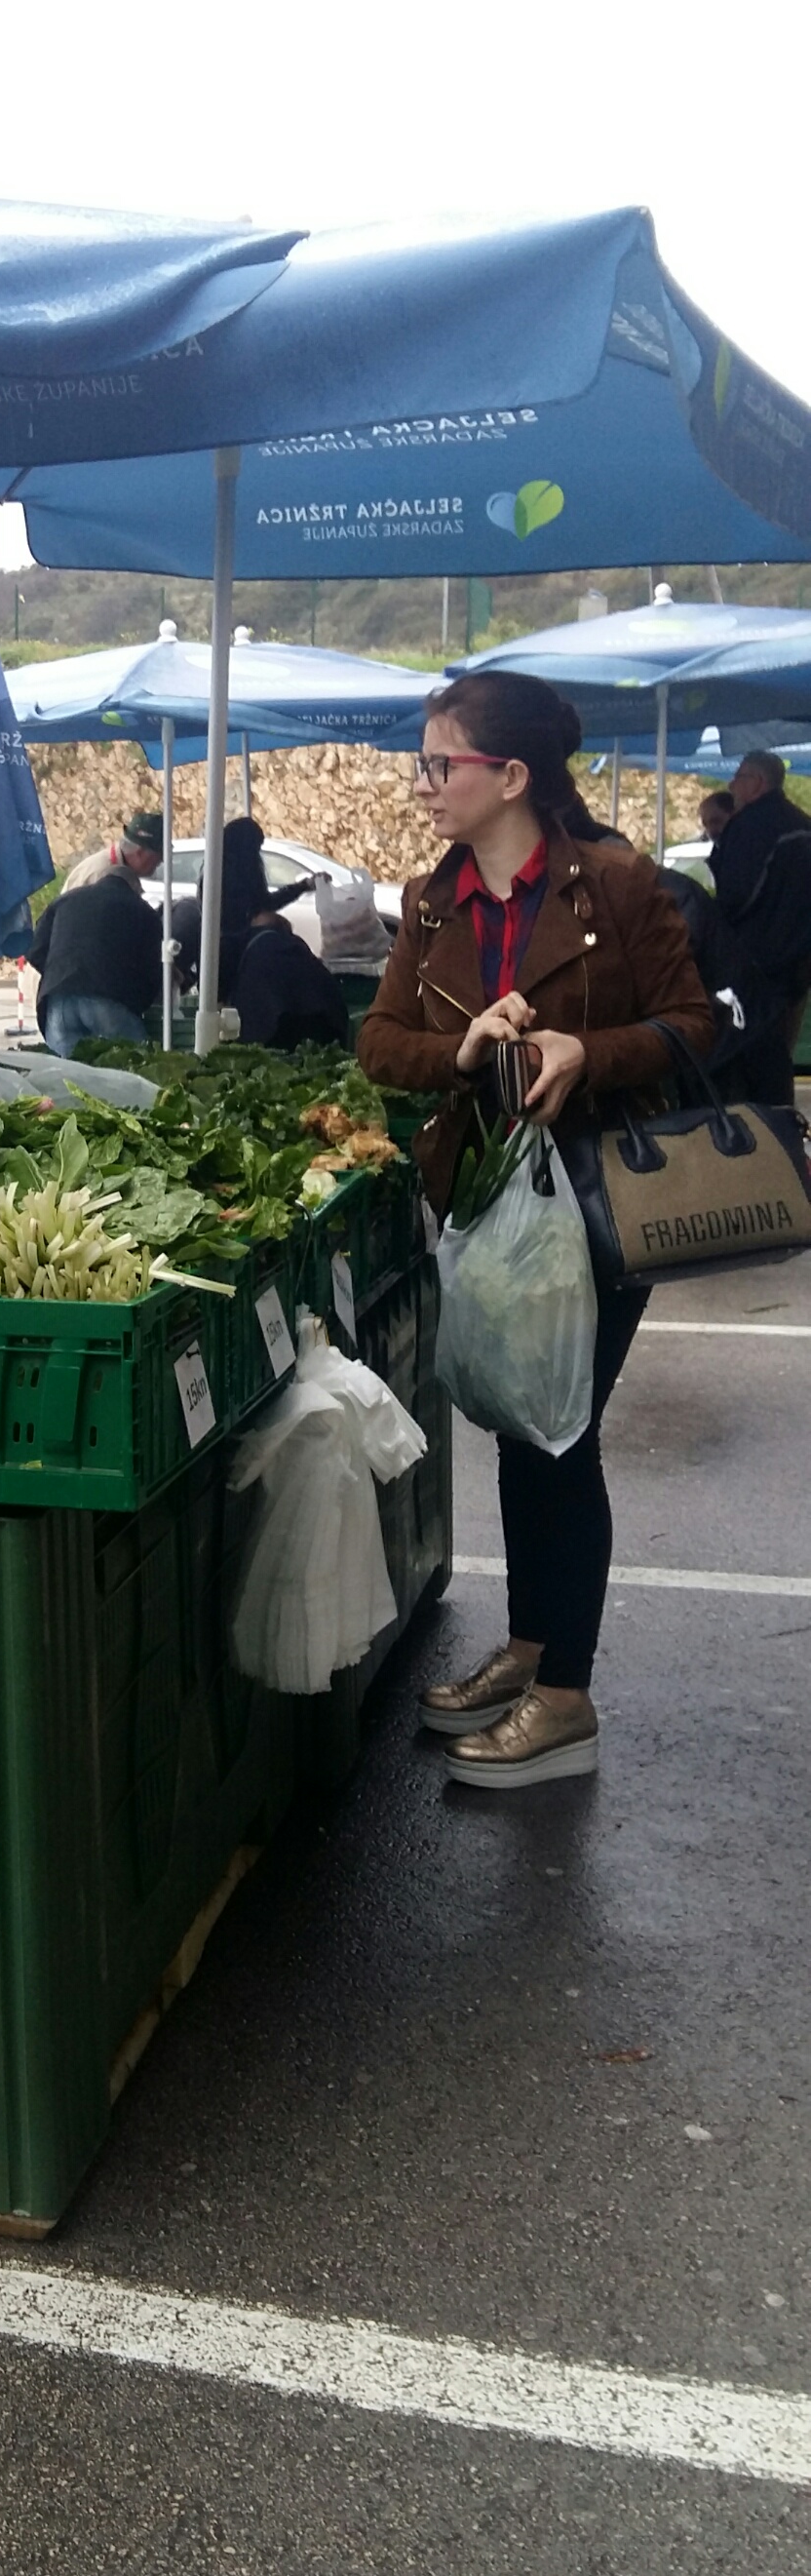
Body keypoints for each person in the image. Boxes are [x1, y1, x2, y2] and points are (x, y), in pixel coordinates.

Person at [358, 670, 712, 1792]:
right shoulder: (429, 900)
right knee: (519, 1424)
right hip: (485, 1202)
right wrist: (460, 1054)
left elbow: (696, 1023)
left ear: (507, 776)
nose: (423, 785)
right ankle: (528, 1642)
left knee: (562, 1431)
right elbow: (377, 1044)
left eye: (438, 764)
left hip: (598, 1202)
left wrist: (580, 1050)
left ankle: (564, 1696)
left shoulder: (612, 882)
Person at [705, 752, 811, 1106]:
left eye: (740, 777)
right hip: (797, 964)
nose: (732, 784)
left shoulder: (753, 825)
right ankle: (785, 1127)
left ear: (758, 784)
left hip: (754, 963)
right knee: (780, 1051)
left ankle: (757, 1135)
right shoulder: (803, 825)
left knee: (749, 1059)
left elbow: (737, 895)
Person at [212, 819, 349, 1047]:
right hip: (240, 952)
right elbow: (233, 919)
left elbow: (264, 902)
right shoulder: (221, 876)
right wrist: (257, 923)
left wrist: (302, 886)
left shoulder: (238, 870)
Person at [26, 870, 162, 1056]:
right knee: (134, 1069)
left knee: (69, 1076)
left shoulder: (65, 900)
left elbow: (35, 951)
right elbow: (152, 972)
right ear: (135, 889)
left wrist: (59, 973)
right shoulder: (142, 911)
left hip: (58, 1000)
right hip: (110, 1000)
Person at [61, 810, 165, 894]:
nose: (162, 860)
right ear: (140, 853)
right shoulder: (103, 874)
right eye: (159, 855)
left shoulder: (121, 872)